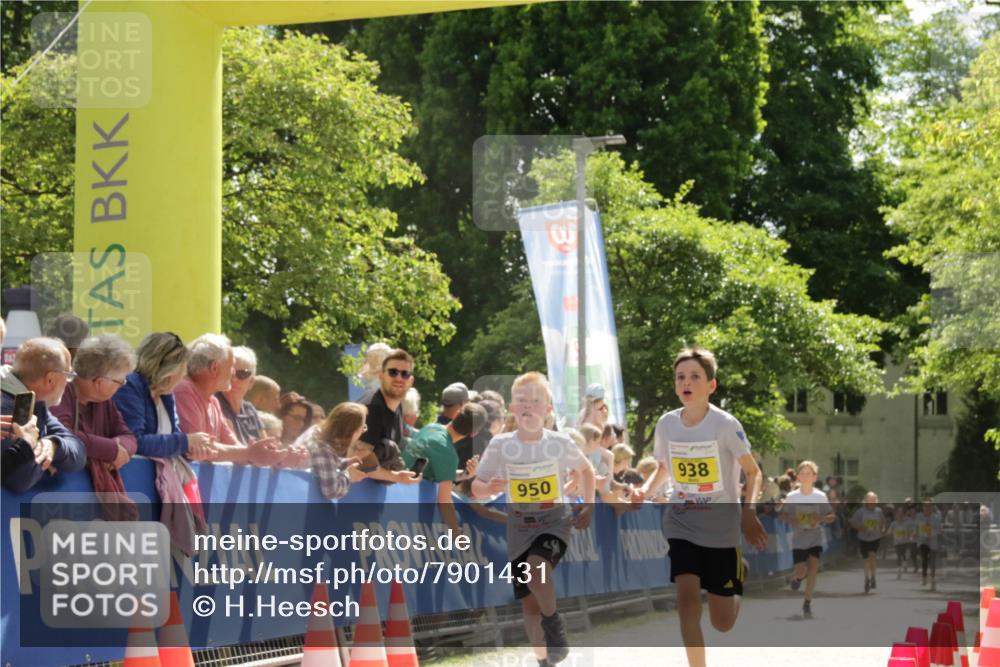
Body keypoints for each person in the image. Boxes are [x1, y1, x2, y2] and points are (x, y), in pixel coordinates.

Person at [642, 346, 768, 667]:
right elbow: (665, 469)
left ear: (711, 385)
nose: (686, 382)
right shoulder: (666, 424)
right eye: (680, 377)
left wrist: (749, 511)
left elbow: (753, 472)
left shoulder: (725, 425)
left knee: (722, 623)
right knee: (686, 601)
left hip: (722, 529)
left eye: (695, 376)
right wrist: (643, 491)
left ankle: (739, 572)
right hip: (681, 522)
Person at [473, 372, 595, 667]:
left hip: (554, 522)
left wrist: (589, 506)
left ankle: (554, 625)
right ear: (512, 409)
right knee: (529, 604)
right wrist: (486, 489)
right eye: (522, 401)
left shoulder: (559, 442)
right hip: (519, 529)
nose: (528, 406)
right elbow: (476, 487)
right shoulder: (501, 445)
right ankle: (544, 662)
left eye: (536, 401)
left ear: (548, 409)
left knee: (536, 567)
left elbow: (587, 470)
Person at [51, 335, 138, 515]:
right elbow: (64, 435)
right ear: (99, 382)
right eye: (120, 381)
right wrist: (112, 450)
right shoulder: (62, 391)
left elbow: (129, 436)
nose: (121, 386)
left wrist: (119, 449)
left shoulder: (104, 402)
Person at [174, 333, 285, 466]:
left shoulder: (213, 402)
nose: (233, 373)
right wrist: (249, 453)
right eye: (231, 366)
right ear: (214, 368)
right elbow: (198, 448)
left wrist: (274, 457)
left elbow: (235, 447)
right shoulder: (184, 391)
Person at [113, 332, 216, 461]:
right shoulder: (130, 385)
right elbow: (135, 442)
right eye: (183, 368)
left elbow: (172, 440)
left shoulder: (166, 393)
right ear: (170, 369)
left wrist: (191, 450)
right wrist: (186, 441)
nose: (184, 374)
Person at [1, 337, 86, 491]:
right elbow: (20, 479)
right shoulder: (7, 407)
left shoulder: (33, 402)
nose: (68, 381)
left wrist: (52, 445)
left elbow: (78, 451)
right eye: (68, 374)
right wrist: (30, 448)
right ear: (50, 379)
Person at [402, 402, 487, 534]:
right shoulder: (448, 453)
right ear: (474, 433)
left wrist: (465, 474)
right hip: (407, 504)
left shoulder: (431, 427)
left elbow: (439, 469)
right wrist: (456, 533)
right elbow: (445, 501)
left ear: (456, 414)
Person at [778, 460, 834, 618]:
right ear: (798, 477)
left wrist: (821, 517)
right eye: (802, 473)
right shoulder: (792, 496)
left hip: (815, 536)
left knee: (813, 568)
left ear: (814, 477)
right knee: (801, 570)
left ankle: (807, 603)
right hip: (799, 538)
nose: (805, 476)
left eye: (809, 473)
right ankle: (796, 577)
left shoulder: (820, 496)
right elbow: (782, 514)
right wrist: (791, 519)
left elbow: (831, 516)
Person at [356, 349, 421, 484]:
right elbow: (360, 462)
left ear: (411, 381)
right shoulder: (372, 409)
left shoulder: (398, 407)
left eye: (405, 374)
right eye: (393, 372)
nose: (399, 378)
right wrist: (396, 477)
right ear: (381, 376)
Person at [297, 402, 368, 499]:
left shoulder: (316, 434)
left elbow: (322, 464)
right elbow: (331, 491)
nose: (362, 432)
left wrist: (344, 463)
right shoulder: (322, 448)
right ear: (352, 431)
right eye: (362, 428)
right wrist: (349, 475)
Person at [850, 491, 886, 593]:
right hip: (863, 538)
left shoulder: (879, 511)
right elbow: (852, 522)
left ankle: (873, 577)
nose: (871, 503)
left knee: (873, 555)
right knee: (866, 559)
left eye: (873, 501)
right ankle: (867, 578)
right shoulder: (861, 512)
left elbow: (883, 522)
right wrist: (859, 527)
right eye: (869, 501)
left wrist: (883, 529)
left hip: (875, 537)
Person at [916, 497, 942, 591]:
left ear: (932, 507)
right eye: (925, 506)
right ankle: (924, 577)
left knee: (932, 562)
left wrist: (933, 531)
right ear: (922, 507)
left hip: (933, 541)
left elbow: (939, 531)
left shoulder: (936, 518)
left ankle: (933, 580)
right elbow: (916, 527)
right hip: (922, 541)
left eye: (929, 506)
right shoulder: (919, 516)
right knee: (924, 558)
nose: (927, 508)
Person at [889, 506, 910, 579]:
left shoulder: (906, 523)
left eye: (901, 513)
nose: (899, 515)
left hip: (904, 542)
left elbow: (908, 532)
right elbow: (890, 531)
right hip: (897, 542)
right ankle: (899, 571)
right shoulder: (893, 523)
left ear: (903, 515)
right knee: (898, 555)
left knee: (903, 554)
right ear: (896, 515)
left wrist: (908, 536)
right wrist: (888, 533)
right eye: (898, 513)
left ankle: (905, 563)